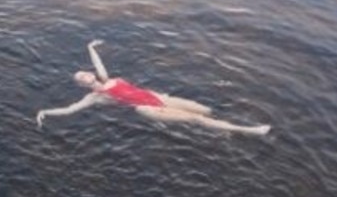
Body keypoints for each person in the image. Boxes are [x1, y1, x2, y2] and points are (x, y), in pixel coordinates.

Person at [35, 40, 270, 135]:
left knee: (204, 110)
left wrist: (90, 47)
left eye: (84, 72)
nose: (85, 75)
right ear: (82, 84)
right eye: (81, 78)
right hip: (146, 108)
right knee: (196, 120)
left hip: (156, 96)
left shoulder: (108, 78)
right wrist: (45, 112)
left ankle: (222, 131)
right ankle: (249, 130)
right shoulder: (94, 97)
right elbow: (69, 110)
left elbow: (98, 63)